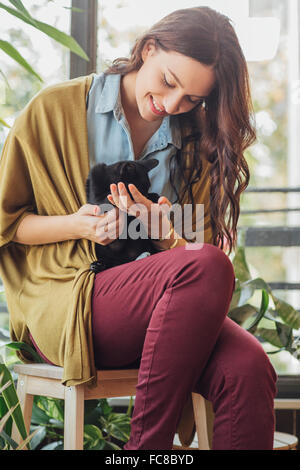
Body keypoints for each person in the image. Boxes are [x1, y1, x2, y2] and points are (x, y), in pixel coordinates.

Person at [0, 7, 277, 450]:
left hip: (168, 311)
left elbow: (198, 256)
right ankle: (146, 450)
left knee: (248, 364)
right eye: (168, 81)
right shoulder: (53, 110)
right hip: (73, 301)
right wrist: (77, 225)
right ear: (148, 48)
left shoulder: (192, 141)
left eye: (191, 99)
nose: (171, 105)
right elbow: (8, 222)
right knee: (202, 266)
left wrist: (165, 232)